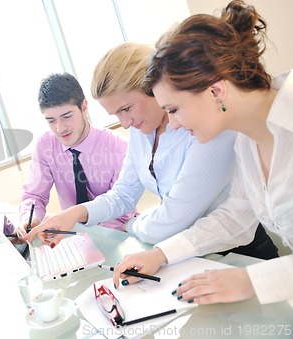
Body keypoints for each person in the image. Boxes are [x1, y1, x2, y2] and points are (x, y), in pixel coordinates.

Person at [112, 0, 292, 305]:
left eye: (174, 109)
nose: (174, 125)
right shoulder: (245, 142)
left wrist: (255, 279)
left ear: (215, 91)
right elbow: (236, 215)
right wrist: (161, 253)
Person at [24, 43, 278, 259]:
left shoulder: (203, 127)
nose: (124, 124)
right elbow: (123, 194)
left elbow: (176, 216)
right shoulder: (139, 130)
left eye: (126, 109)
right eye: (115, 115)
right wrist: (76, 213)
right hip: (183, 251)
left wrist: (131, 226)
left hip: (238, 252)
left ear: (152, 88)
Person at [18, 72, 138, 233]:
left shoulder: (118, 147)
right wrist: (30, 218)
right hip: (73, 234)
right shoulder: (45, 145)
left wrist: (82, 231)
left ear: (84, 107)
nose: (60, 128)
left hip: (117, 233)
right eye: (51, 121)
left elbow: (122, 211)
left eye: (66, 116)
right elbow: (34, 195)